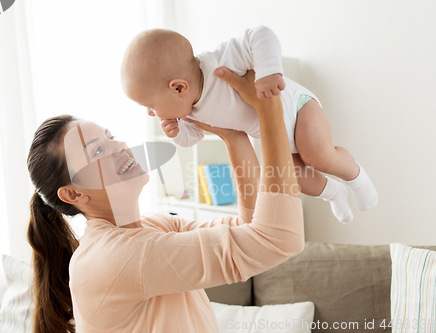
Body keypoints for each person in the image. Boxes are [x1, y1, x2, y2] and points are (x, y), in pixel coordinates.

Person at [26, 69, 304, 333]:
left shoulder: (152, 225)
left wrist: (233, 136)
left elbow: (250, 225)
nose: (120, 146)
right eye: (98, 150)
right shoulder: (113, 257)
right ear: (74, 194)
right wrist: (269, 111)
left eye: (110, 136)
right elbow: (278, 238)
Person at [120, 26, 378, 224]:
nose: (150, 114)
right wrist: (177, 134)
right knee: (296, 176)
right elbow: (192, 138)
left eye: (150, 105)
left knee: (317, 155)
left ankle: (357, 179)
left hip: (299, 108)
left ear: (178, 87)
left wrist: (268, 74)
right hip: (276, 135)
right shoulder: (192, 113)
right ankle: (333, 193)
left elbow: (261, 35)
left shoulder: (218, 64)